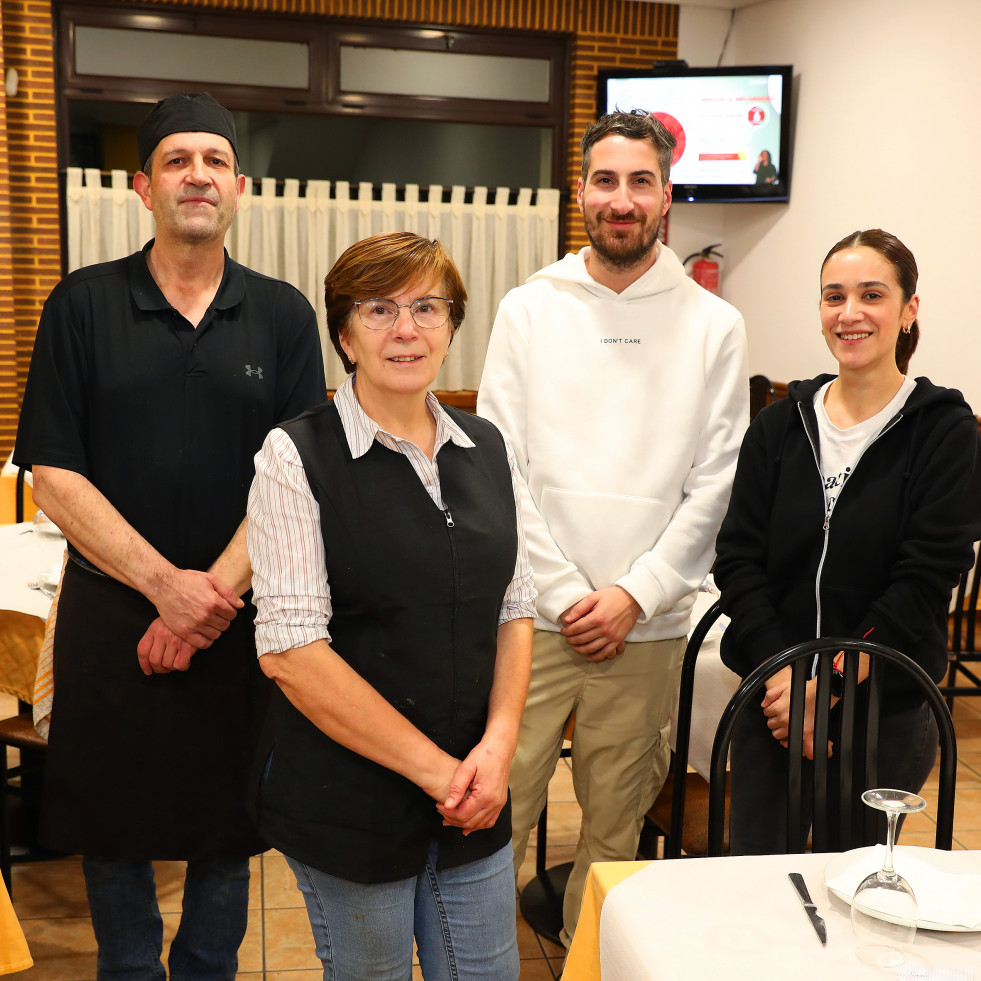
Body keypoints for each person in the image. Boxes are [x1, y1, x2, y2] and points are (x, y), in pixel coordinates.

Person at [13, 93, 327, 979]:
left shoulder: (282, 315)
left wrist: (206, 600)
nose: (198, 174)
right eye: (177, 159)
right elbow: (55, 474)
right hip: (116, 616)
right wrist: (165, 588)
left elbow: (295, 478)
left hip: (237, 619)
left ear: (240, 186)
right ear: (141, 186)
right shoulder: (82, 305)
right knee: (112, 823)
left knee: (227, 824)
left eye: (215, 160)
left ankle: (204, 970)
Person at [478, 109, 749, 946]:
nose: (621, 199)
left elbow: (715, 483)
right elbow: (500, 466)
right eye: (605, 180)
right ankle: (480, 961)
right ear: (582, 193)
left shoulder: (713, 325)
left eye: (639, 181)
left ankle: (587, 962)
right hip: (532, 616)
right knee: (500, 809)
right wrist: (564, 593)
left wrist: (634, 592)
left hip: (650, 622)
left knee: (615, 820)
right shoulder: (530, 308)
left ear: (665, 195)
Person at [247, 231, 536, 981]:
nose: (405, 329)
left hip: (477, 790)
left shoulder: (487, 445)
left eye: (426, 307)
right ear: (343, 332)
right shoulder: (294, 454)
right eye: (378, 309)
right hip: (353, 802)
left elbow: (514, 605)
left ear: (451, 323)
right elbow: (291, 650)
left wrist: (499, 745)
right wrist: (442, 775)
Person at [714, 228, 981, 855]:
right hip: (772, 706)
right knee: (757, 890)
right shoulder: (780, 424)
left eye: (872, 295)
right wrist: (785, 678)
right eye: (834, 297)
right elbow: (738, 560)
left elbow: (925, 578)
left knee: (857, 900)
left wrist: (826, 685)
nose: (850, 313)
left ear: (909, 309)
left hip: (882, 712)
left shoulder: (944, 431)